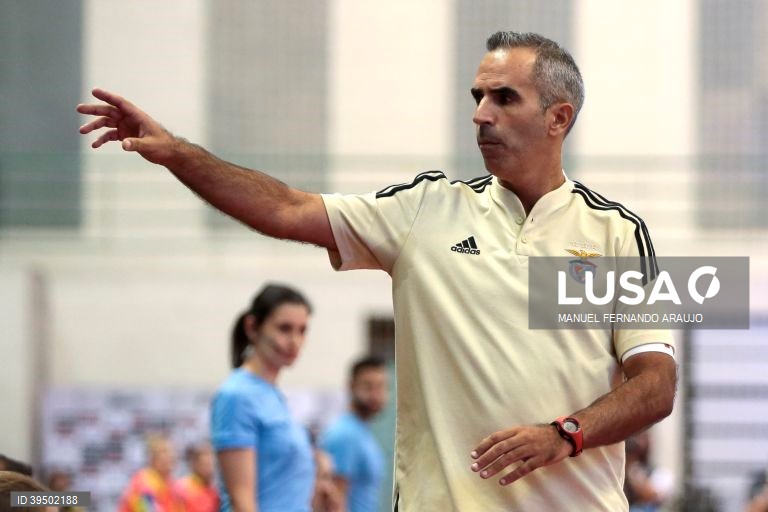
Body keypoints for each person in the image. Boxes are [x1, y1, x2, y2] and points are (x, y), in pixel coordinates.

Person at [78, 30, 678, 511]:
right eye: (476, 98)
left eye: (503, 98)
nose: (481, 115)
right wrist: (178, 152)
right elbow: (287, 208)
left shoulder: (613, 234)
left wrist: (563, 433)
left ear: (558, 118)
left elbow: (654, 384)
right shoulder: (425, 211)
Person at [210, 284, 316, 512]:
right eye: (284, 328)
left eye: (302, 330)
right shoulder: (237, 396)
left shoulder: (273, 395)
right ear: (252, 327)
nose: (294, 340)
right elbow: (242, 503)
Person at [320, 356, 388, 512]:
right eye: (368, 386)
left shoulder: (362, 432)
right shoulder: (345, 435)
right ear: (351, 386)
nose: (376, 394)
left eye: (381, 386)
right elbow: (333, 502)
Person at [118, 434, 183, 512]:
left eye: (172, 451)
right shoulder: (141, 484)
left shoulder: (172, 483)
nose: (171, 455)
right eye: (164, 452)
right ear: (151, 457)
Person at [174, 441, 219, 512]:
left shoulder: (214, 493)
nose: (209, 470)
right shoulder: (182, 487)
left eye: (211, 465)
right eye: (205, 465)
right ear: (194, 465)